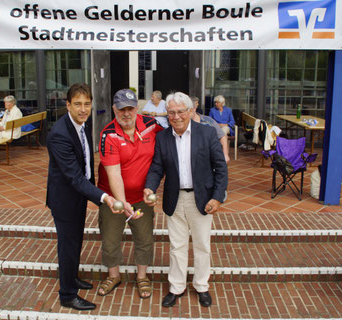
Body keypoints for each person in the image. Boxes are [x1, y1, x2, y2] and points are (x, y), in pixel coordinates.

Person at [46, 83, 126, 311]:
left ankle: (72, 279)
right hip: (65, 200)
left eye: (87, 104)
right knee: (68, 246)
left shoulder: (82, 124)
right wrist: (105, 198)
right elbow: (75, 177)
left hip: (79, 196)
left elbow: (86, 166)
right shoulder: (59, 135)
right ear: (68, 105)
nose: (83, 109)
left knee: (76, 242)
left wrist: (94, 192)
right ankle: (68, 294)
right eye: (78, 104)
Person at [144, 92, 228, 308]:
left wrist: (218, 197)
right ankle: (177, 287)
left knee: (202, 246)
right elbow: (156, 167)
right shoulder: (162, 137)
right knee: (177, 246)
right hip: (175, 198)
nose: (176, 116)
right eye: (171, 112)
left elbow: (221, 169)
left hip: (202, 199)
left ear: (191, 111)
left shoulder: (207, 134)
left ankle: (201, 286)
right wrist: (149, 187)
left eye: (181, 111)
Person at [97, 88, 163, 299]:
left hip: (142, 197)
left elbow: (169, 147)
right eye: (121, 109)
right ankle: (113, 275)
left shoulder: (152, 126)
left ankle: (142, 276)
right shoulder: (108, 134)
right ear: (114, 109)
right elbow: (114, 173)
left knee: (144, 238)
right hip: (114, 199)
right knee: (110, 239)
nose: (126, 113)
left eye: (130, 108)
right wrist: (123, 204)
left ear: (137, 108)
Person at [190, 96, 230, 163]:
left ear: (194, 108)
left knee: (223, 131)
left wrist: (225, 154)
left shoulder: (208, 121)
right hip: (192, 157)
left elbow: (222, 136)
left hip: (207, 157)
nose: (216, 104)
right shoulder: (212, 110)